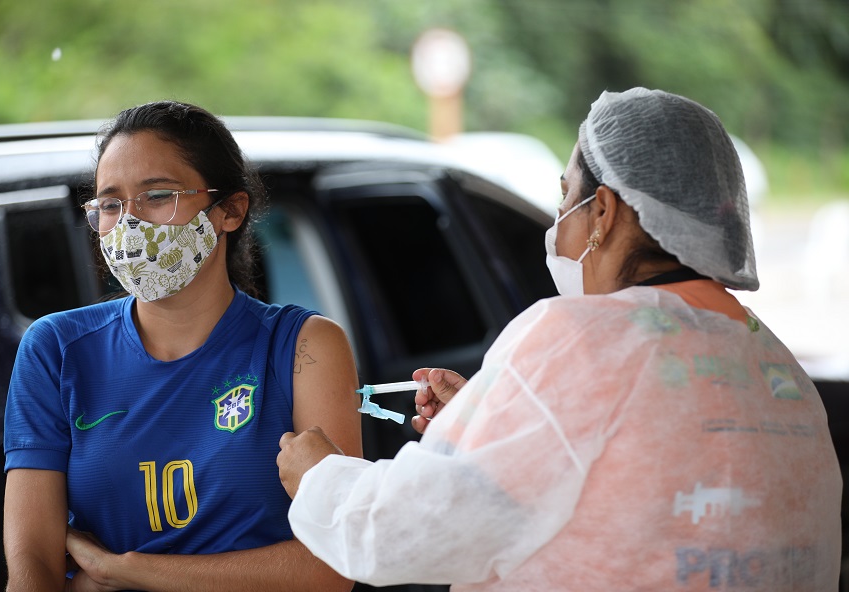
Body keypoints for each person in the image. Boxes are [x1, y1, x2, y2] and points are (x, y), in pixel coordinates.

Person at [277, 88, 842, 590]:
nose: (557, 222)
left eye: (565, 195)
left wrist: (321, 476)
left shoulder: (576, 338)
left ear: (602, 211)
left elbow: (401, 535)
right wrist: (491, 419)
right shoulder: (773, 359)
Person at [3, 101, 361, 592]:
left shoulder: (304, 346)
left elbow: (335, 564)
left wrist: (126, 569)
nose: (130, 224)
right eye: (110, 204)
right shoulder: (57, 349)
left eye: (157, 196)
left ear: (230, 210)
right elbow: (32, 568)